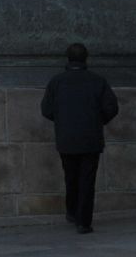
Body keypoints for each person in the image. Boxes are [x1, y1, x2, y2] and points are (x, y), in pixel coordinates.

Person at [41, 43, 119, 234]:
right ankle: (83, 221)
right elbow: (111, 108)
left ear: (68, 58)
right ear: (86, 58)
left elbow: (47, 110)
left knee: (71, 177)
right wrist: (97, 121)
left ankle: (72, 211)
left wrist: (62, 121)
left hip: (66, 138)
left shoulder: (57, 82)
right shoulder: (98, 81)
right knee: (87, 180)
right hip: (90, 138)